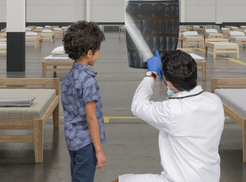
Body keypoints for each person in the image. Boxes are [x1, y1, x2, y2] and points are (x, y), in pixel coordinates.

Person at [114, 49, 225, 182]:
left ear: (169, 84)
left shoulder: (171, 111)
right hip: (211, 178)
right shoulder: (215, 101)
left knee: (121, 180)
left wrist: (151, 74)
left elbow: (138, 105)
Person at [61, 21, 106, 182]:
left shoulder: (69, 77)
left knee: (77, 176)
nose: (98, 54)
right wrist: (99, 150)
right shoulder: (88, 81)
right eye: (98, 51)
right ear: (89, 53)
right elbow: (91, 118)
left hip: (72, 139)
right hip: (86, 143)